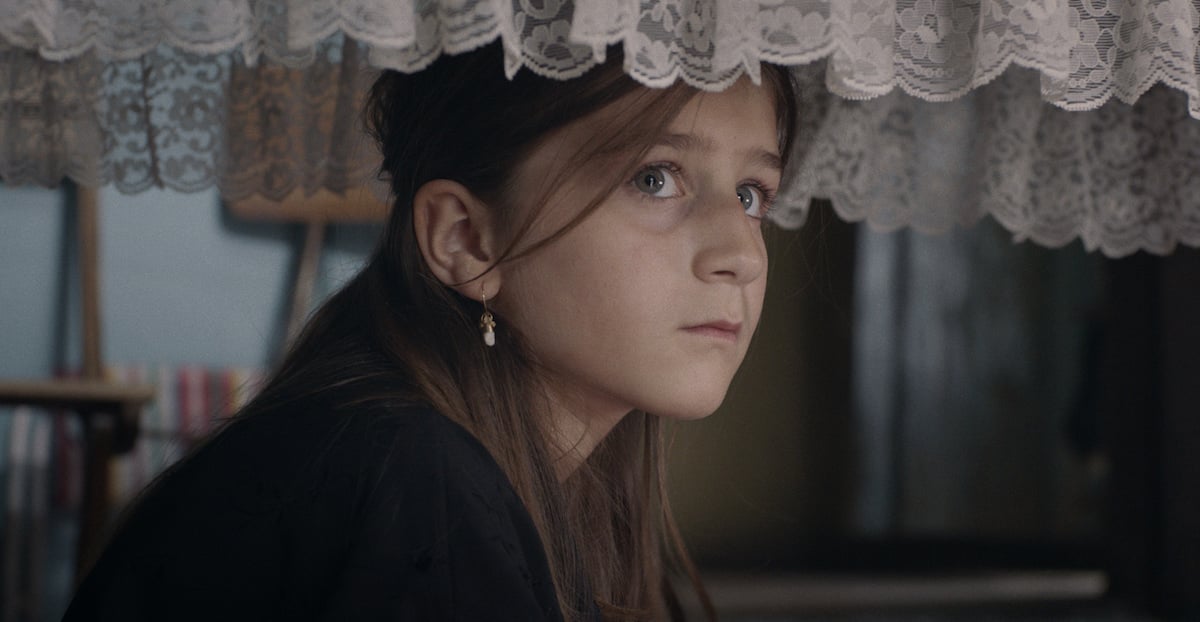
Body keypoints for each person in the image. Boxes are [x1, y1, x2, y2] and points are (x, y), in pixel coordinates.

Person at [62, 41, 797, 622]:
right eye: (655, 178)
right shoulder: (414, 482)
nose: (739, 252)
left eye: (750, 193)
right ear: (465, 239)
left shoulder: (452, 468)